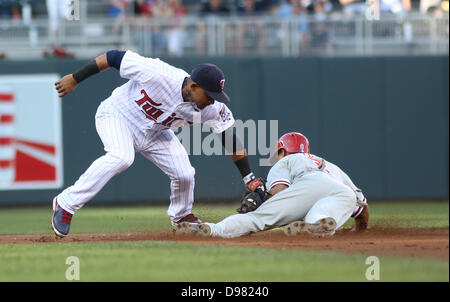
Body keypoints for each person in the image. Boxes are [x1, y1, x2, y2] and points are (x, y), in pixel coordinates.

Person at [51, 50, 265, 237]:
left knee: (185, 173)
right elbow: (113, 57)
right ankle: (66, 204)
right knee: (121, 158)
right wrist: (75, 78)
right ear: (193, 85)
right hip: (118, 116)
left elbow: (229, 137)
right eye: (209, 94)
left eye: (215, 95)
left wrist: (249, 178)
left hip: (155, 132)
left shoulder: (212, 108)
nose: (212, 100)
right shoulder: (158, 73)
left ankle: (181, 218)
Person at [179, 132, 369, 238]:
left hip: (308, 183)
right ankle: (316, 225)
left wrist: (262, 200)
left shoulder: (285, 161)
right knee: (318, 215)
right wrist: (359, 229)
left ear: (282, 151)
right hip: (343, 193)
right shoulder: (332, 167)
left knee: (256, 219)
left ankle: (213, 229)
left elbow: (279, 192)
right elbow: (362, 209)